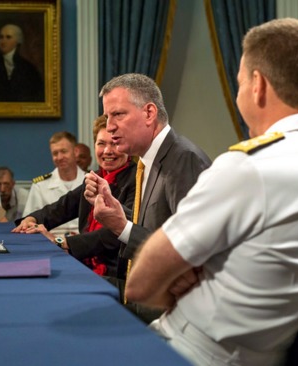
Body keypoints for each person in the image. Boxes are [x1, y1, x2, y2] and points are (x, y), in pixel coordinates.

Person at [122, 19, 298, 366]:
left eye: (238, 83)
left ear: (258, 85)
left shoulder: (252, 166)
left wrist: (188, 273)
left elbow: (140, 283)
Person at [83, 73, 211, 320]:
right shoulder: (148, 159)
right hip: (147, 309)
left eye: (118, 114)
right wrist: (120, 215)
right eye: (108, 117)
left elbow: (190, 251)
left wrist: (122, 227)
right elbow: (161, 226)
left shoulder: (183, 159)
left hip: (172, 319)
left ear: (149, 114)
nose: (109, 126)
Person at [13, 115, 135, 277]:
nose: (107, 151)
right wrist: (31, 221)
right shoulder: (95, 177)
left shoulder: (137, 180)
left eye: (114, 143)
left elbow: (115, 234)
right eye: (101, 144)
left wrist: (61, 242)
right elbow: (60, 208)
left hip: (117, 275)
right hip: (84, 266)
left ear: (127, 146)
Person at [23, 131, 86, 235]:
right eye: (55, 153)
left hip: (85, 245)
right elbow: (30, 223)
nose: (60, 157)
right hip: (50, 244)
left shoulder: (90, 181)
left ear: (75, 151)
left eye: (64, 151)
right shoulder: (40, 186)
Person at [0, 23, 44, 102]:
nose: (3, 41)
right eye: (1, 37)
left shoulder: (29, 69)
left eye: (8, 37)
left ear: (18, 41)